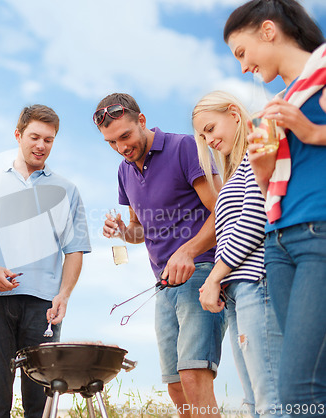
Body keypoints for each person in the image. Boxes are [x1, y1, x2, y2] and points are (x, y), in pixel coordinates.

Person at [225, 0, 326, 414]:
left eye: (242, 53)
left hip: (317, 236)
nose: (243, 67)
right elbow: (272, 185)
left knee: (298, 387)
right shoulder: (277, 103)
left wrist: (312, 131)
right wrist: (263, 166)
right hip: (279, 242)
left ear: (268, 31)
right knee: (307, 380)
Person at [97, 93, 225, 418]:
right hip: (163, 285)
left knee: (194, 373)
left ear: (142, 121)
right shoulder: (124, 172)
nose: (122, 148)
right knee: (175, 384)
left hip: (202, 272)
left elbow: (223, 208)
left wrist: (188, 250)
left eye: (125, 136)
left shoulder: (184, 148)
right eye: (112, 142)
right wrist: (122, 232)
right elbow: (139, 231)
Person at [0, 104, 92, 418]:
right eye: (34, 137)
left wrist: (63, 295)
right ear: (18, 135)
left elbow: (74, 250)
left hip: (43, 307)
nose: (41, 145)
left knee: (40, 403)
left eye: (48, 140)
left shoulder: (68, 190)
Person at [192, 91, 284, 417]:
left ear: (234, 113)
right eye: (203, 136)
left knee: (270, 395)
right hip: (237, 291)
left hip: (257, 283)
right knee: (253, 400)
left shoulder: (254, 157)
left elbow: (254, 220)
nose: (209, 140)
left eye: (211, 128)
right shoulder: (234, 171)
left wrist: (214, 276)